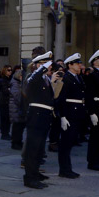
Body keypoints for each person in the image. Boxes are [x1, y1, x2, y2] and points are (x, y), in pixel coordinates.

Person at [23, 51, 62, 189]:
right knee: (33, 148)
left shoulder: (45, 78)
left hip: (45, 116)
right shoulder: (33, 77)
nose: (50, 67)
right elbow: (32, 82)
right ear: (39, 65)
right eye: (46, 64)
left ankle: (35, 173)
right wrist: (41, 68)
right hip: (36, 116)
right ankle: (29, 178)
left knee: (39, 149)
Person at [55, 53, 87, 178]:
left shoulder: (78, 77)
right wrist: (63, 116)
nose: (80, 66)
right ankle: (64, 170)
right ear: (70, 65)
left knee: (70, 142)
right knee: (65, 143)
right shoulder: (66, 78)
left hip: (77, 113)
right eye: (77, 63)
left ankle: (67, 168)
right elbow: (61, 99)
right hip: (69, 113)